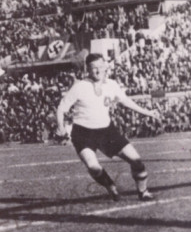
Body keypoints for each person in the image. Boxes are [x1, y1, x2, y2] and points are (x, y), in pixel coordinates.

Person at [56, 53, 160, 201]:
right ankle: (110, 186)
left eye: (100, 67)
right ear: (88, 69)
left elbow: (126, 101)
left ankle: (143, 192)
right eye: (93, 68)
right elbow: (61, 108)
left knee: (136, 160)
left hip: (107, 131)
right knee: (93, 167)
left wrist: (148, 112)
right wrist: (60, 126)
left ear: (106, 66)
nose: (98, 71)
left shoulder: (112, 85)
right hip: (83, 133)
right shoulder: (79, 87)